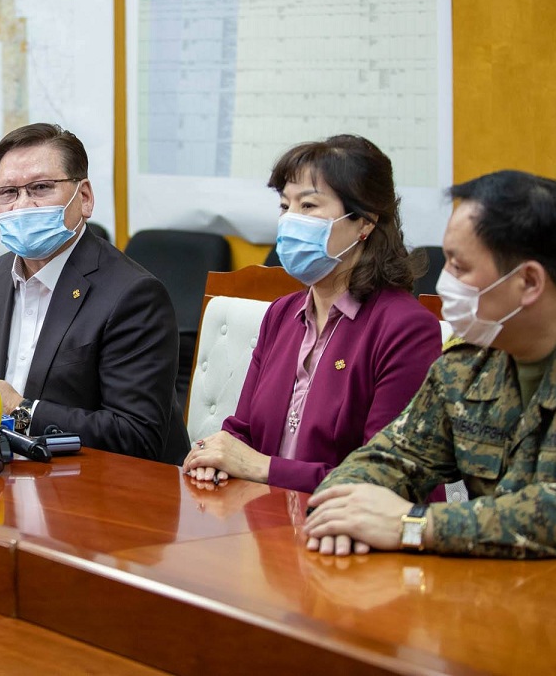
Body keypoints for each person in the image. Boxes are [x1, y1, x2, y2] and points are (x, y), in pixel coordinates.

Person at [305, 170, 556, 560]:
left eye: (459, 267)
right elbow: (394, 456)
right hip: (487, 584)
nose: (443, 282)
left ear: (530, 282)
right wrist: (341, 510)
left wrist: (416, 525)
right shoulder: (472, 356)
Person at [182, 135, 442, 492]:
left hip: (348, 521)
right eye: (285, 206)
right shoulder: (281, 314)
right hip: (264, 516)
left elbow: (383, 478)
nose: (290, 220)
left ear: (365, 221)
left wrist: (262, 468)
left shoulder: (406, 328)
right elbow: (243, 432)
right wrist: (214, 457)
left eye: (308, 206)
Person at [0, 123, 190, 463]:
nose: (23, 205)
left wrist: (20, 410)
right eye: (8, 192)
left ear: (84, 197)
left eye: (41, 188)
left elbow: (137, 437)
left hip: (98, 483)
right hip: (2, 472)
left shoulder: (134, 295)